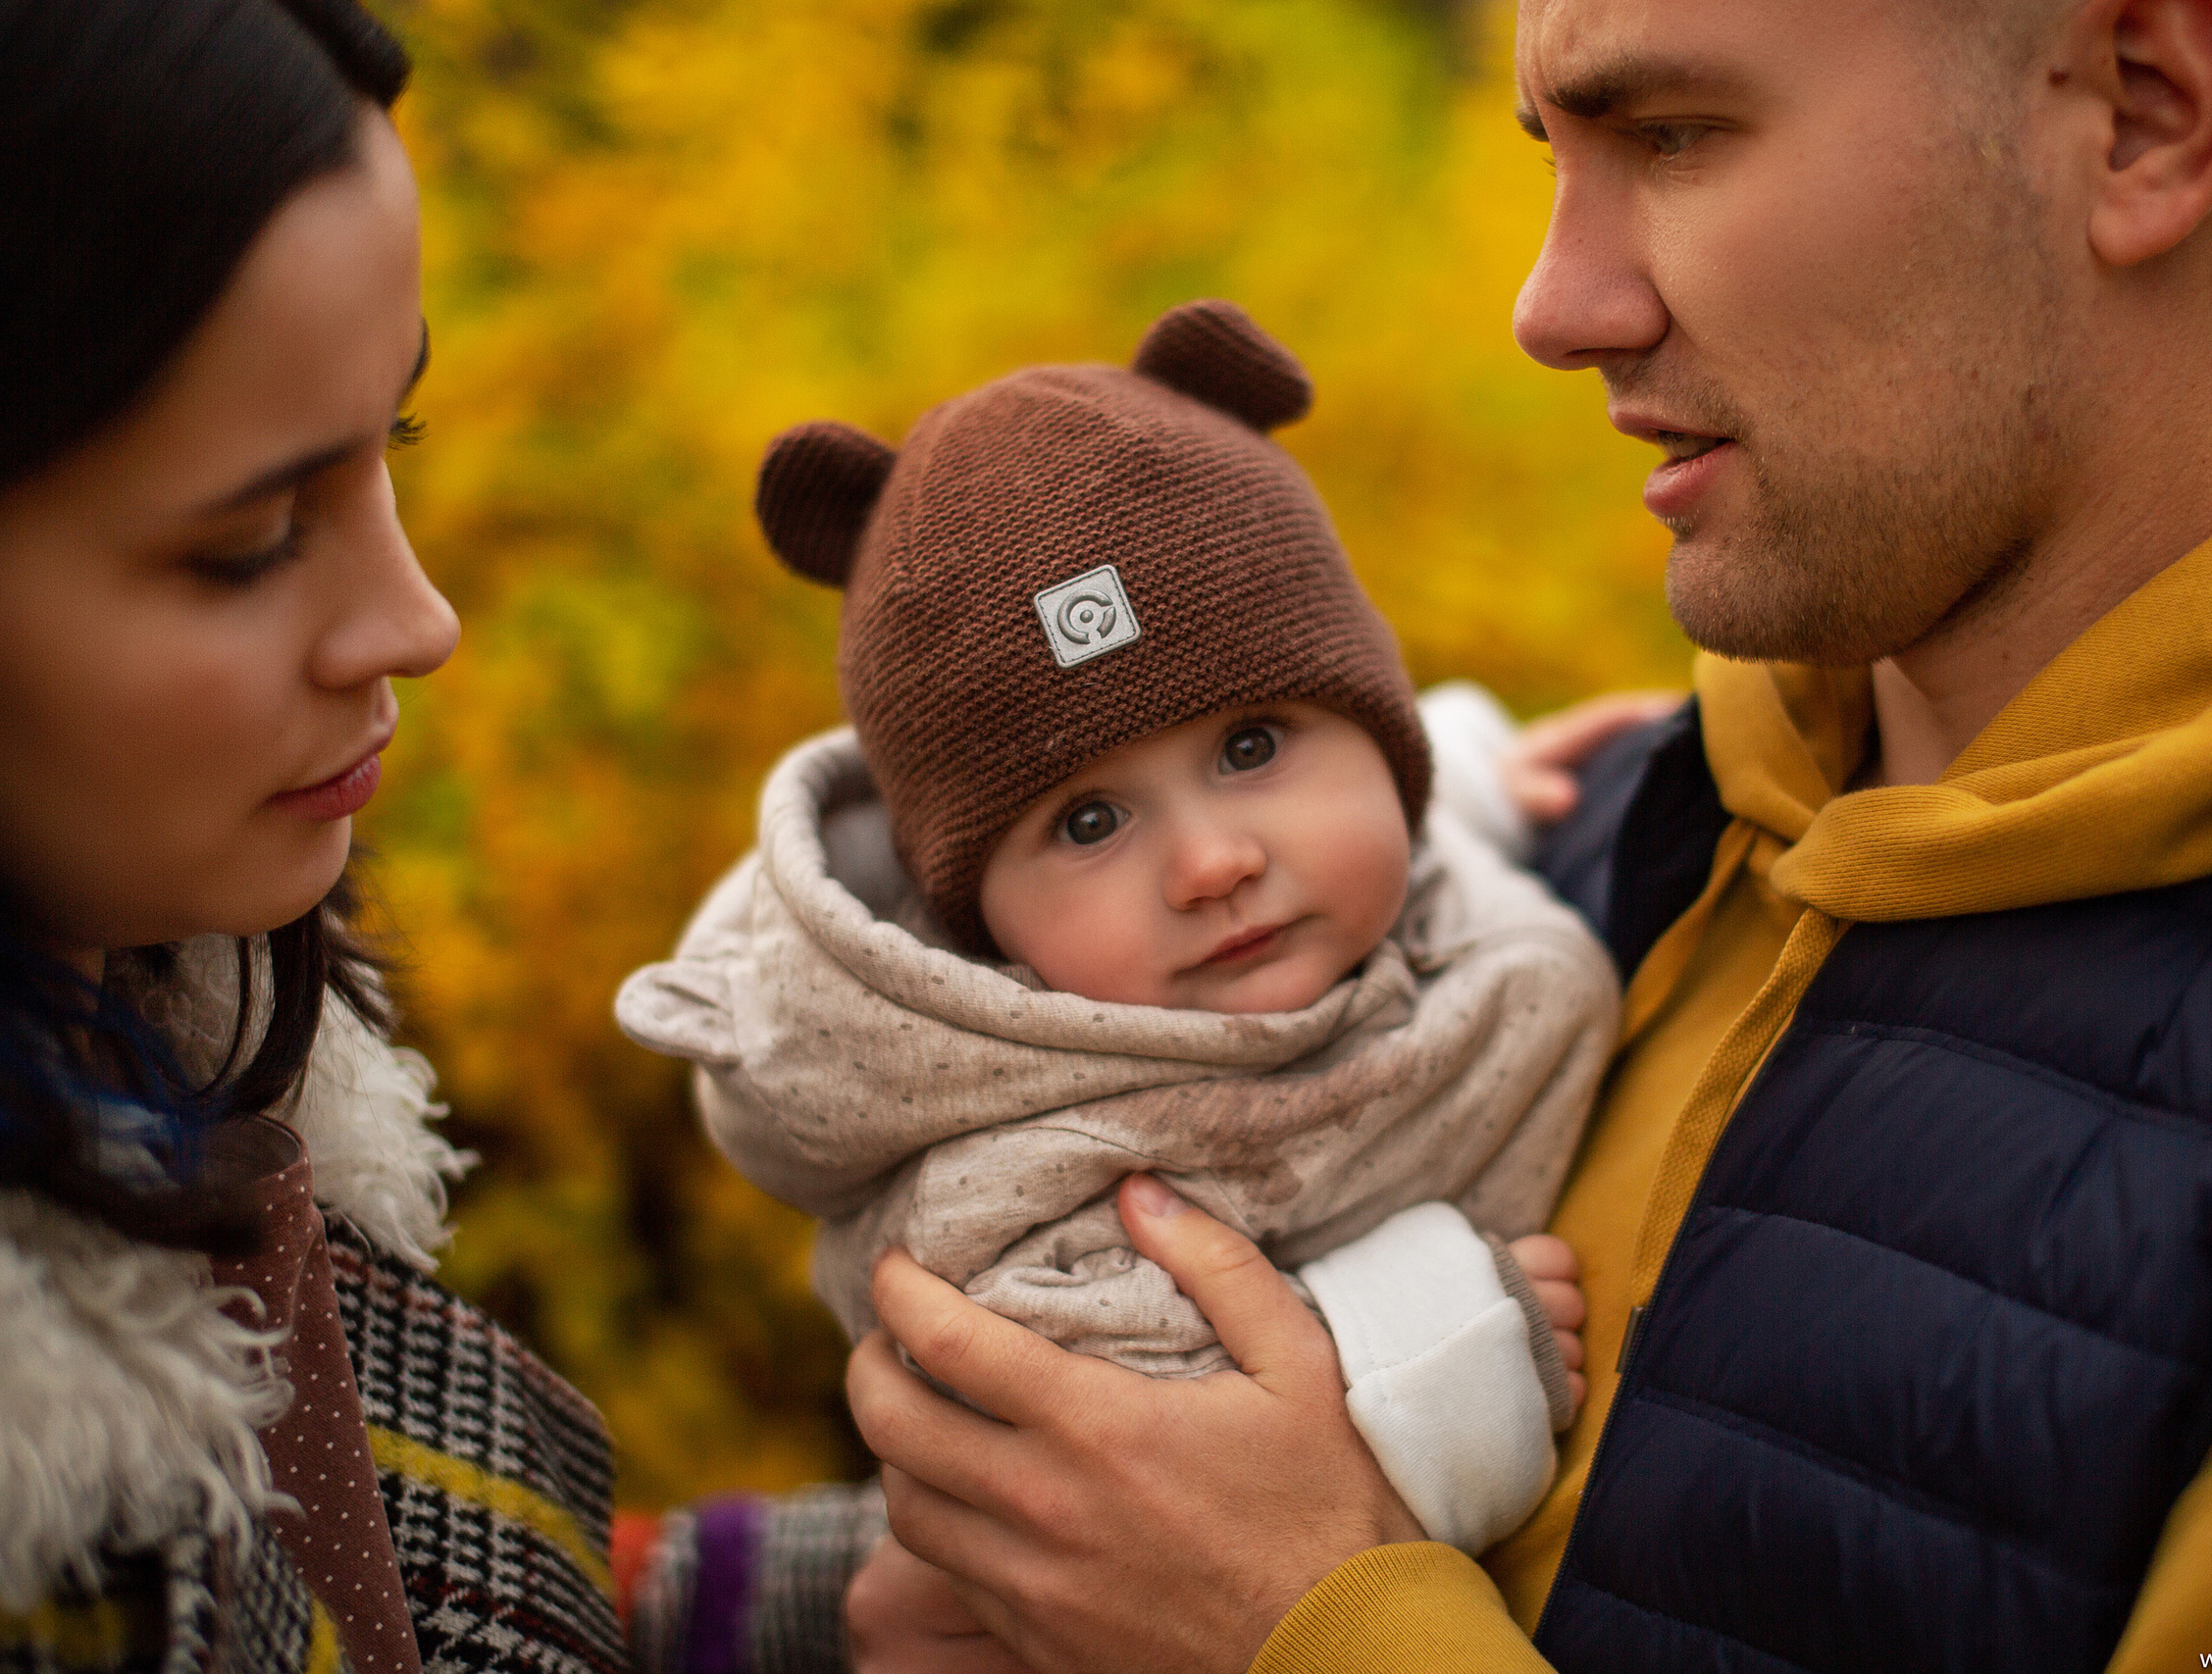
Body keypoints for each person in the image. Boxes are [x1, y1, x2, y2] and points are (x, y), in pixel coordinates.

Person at [840, 0, 2212, 1669]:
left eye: (1673, 136)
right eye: (1551, 158)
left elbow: (1255, 1564)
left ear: (2142, 112)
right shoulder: (1600, 846)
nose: (1552, 310)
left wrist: (1299, 1628)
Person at [0, 6, 879, 1671]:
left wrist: (868, 1592)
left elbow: (398, 1602)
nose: (420, 618)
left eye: (392, 443)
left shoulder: (192, 1069)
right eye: (256, 536)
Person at [613, 299, 1620, 1642]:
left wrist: (1469, 784)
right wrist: (1428, 1351)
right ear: (982, 925)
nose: (1211, 862)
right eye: (1089, 822)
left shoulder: (1385, 882)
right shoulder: (1020, 1155)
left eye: (1254, 746)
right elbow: (1113, 1455)